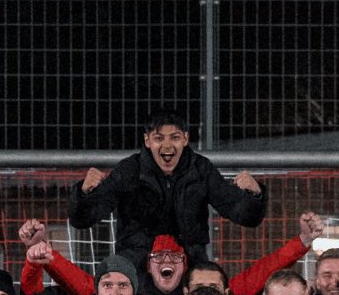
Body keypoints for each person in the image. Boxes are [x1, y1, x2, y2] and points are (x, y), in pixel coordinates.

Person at [69, 112, 267, 264]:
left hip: (189, 264)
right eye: (158, 138)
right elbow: (82, 219)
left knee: (210, 282)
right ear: (147, 140)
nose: (167, 146)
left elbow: (242, 214)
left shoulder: (201, 169)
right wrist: (84, 193)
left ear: (185, 139)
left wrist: (255, 195)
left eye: (174, 137)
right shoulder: (129, 170)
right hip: (138, 265)